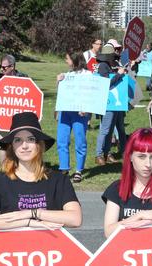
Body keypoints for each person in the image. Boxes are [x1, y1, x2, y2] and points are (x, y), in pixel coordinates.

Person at [0, 112, 82, 231]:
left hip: (52, 248)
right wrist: (27, 222)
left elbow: (75, 219)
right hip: (13, 248)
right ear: (12, 146)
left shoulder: (58, 179)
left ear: (39, 145)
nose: (24, 146)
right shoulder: (1, 180)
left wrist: (33, 213)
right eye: (18, 140)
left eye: (30, 139)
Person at [56, 51, 91, 183]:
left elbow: (91, 93)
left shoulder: (88, 75)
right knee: (62, 140)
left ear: (75, 60)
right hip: (65, 112)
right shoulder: (67, 75)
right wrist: (58, 82)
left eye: (67, 59)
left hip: (80, 113)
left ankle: (79, 170)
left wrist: (86, 108)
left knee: (80, 141)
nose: (66, 61)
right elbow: (61, 94)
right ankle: (64, 168)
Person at [0, 54, 28, 164]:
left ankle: (18, 169)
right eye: (0, 67)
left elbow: (29, 97)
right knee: (2, 145)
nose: (1, 69)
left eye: (4, 67)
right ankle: (4, 171)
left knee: (18, 145)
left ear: (12, 67)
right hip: (2, 118)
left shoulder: (23, 78)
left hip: (19, 120)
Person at [95, 43, 127, 166]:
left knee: (110, 129)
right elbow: (106, 83)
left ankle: (106, 153)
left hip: (115, 104)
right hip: (108, 103)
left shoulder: (108, 64)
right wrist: (119, 74)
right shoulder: (103, 66)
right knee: (105, 129)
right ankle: (99, 154)